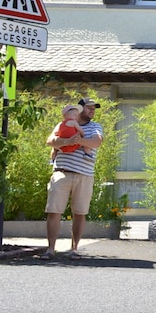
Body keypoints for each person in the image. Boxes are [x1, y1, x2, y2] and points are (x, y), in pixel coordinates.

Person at [43, 97, 104, 260]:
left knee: (80, 212)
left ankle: (74, 249)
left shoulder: (95, 127)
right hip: (62, 172)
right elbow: (50, 140)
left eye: (94, 108)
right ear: (80, 109)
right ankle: (50, 249)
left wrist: (79, 141)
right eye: (89, 107)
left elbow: (97, 142)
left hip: (84, 174)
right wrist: (67, 141)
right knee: (54, 210)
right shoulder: (63, 124)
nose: (92, 110)